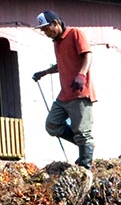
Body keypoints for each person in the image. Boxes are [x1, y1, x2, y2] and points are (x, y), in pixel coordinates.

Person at [31, 10, 96, 168]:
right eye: (43, 30)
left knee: (82, 131)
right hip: (64, 95)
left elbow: (88, 55)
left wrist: (81, 75)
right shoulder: (57, 43)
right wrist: (44, 72)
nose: (45, 33)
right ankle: (85, 146)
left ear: (55, 23)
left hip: (80, 93)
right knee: (52, 124)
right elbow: (61, 65)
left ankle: (85, 168)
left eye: (46, 29)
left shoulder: (75, 33)